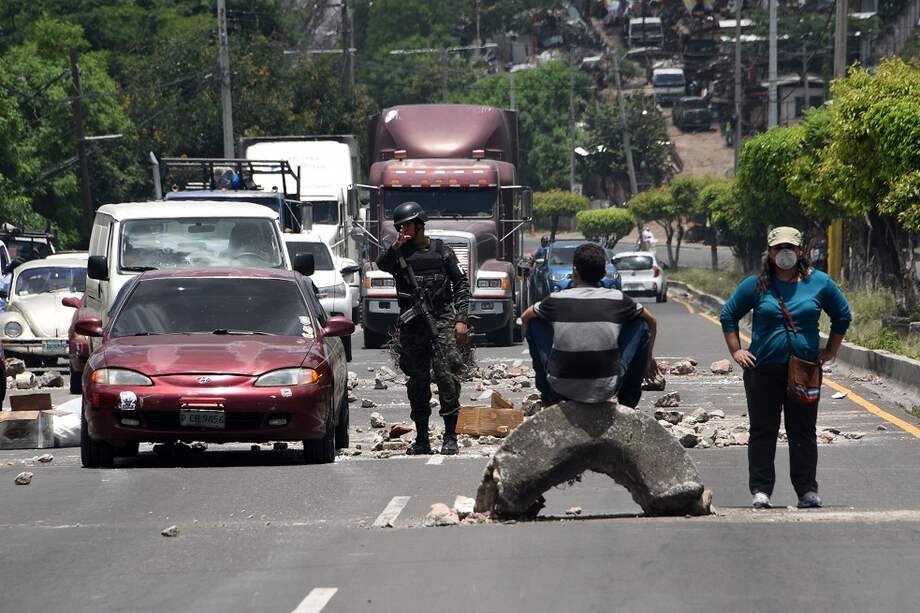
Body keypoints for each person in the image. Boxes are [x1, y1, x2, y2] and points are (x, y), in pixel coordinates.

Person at [720, 226, 851, 510]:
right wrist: (736, 351)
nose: (784, 253)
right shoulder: (756, 285)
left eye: (790, 248)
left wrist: (831, 351)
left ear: (801, 251)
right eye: (778, 248)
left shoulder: (820, 284)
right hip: (763, 371)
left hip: (804, 370)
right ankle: (761, 490)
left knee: (803, 431)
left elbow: (843, 315)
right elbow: (728, 314)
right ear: (770, 252)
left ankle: (807, 491)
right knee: (762, 430)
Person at [376, 202, 471, 455]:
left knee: (447, 379)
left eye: (406, 225)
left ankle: (450, 437)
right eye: (399, 226)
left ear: (419, 225)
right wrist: (396, 247)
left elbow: (461, 284)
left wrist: (461, 319)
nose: (402, 230)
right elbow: (381, 264)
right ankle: (422, 439)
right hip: (412, 325)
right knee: (417, 382)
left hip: (440, 320)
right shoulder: (399, 254)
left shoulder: (442, 252)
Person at [520, 242, 660, 408]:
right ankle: (628, 401)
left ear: (574, 272)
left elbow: (525, 317)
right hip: (606, 388)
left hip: (560, 387)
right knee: (640, 324)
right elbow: (651, 321)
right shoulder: (618, 299)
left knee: (535, 321)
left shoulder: (556, 299)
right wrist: (648, 359)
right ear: (604, 273)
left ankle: (549, 398)